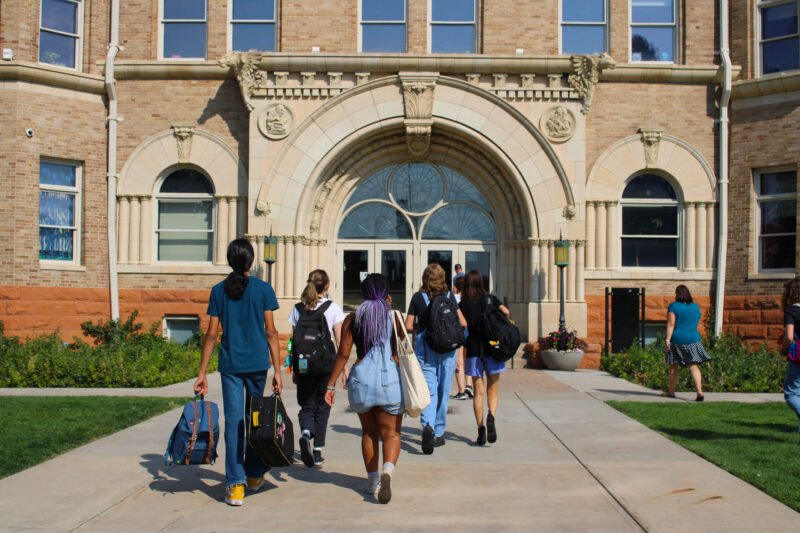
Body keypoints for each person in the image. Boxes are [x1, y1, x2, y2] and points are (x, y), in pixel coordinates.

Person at [194, 239, 282, 507]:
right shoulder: (263, 290)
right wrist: (278, 370)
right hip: (257, 365)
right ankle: (254, 475)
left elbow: (211, 335)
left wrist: (202, 373)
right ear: (252, 261)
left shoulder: (219, 291)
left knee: (235, 423)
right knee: (256, 420)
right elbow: (271, 331)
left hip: (231, 366)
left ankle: (235, 485)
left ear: (230, 260)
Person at [325, 274, 404, 504]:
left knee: (369, 433)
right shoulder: (394, 318)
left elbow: (343, 354)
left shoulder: (353, 319)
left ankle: (372, 481)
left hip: (362, 381)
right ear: (386, 292)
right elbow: (400, 353)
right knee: (392, 433)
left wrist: (330, 384)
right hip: (389, 380)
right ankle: (387, 471)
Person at [405, 263, 467, 454]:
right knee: (443, 390)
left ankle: (428, 426)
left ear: (425, 279)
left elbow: (408, 326)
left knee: (428, 391)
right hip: (447, 350)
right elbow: (463, 322)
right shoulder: (449, 297)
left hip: (426, 349)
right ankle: (439, 433)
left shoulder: (418, 298)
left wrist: (420, 328)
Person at [289, 269, 345, 468]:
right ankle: (318, 450)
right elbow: (340, 341)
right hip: (325, 364)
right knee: (323, 406)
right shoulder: (333, 308)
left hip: (303, 364)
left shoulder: (297, 309)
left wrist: (294, 369)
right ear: (327, 286)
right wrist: (342, 369)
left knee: (306, 405)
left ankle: (306, 433)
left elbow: (294, 342)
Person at [458, 270, 511, 445]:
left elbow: (462, 324)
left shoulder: (464, 303)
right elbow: (506, 312)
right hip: (492, 345)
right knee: (493, 388)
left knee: (478, 393)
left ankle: (480, 428)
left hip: (474, 348)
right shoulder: (490, 299)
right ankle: (491, 416)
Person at [663, 284, 710, 401]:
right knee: (693, 366)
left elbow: (671, 324)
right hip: (693, 339)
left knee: (673, 366)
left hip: (677, 339)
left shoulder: (673, 306)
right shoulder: (695, 307)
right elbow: (696, 321)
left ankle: (671, 392)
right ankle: (699, 392)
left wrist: (667, 339)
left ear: (677, 294)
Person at [780, 277, 800, 430]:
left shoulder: (792, 310)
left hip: (798, 356)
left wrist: (784, 349)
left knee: (791, 393)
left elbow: (789, 336)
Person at [451, 274, 473, 401]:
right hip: (470, 331)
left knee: (459, 362)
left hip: (459, 330)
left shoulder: (454, 298)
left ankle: (461, 390)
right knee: (468, 359)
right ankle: (469, 386)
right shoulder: (471, 298)